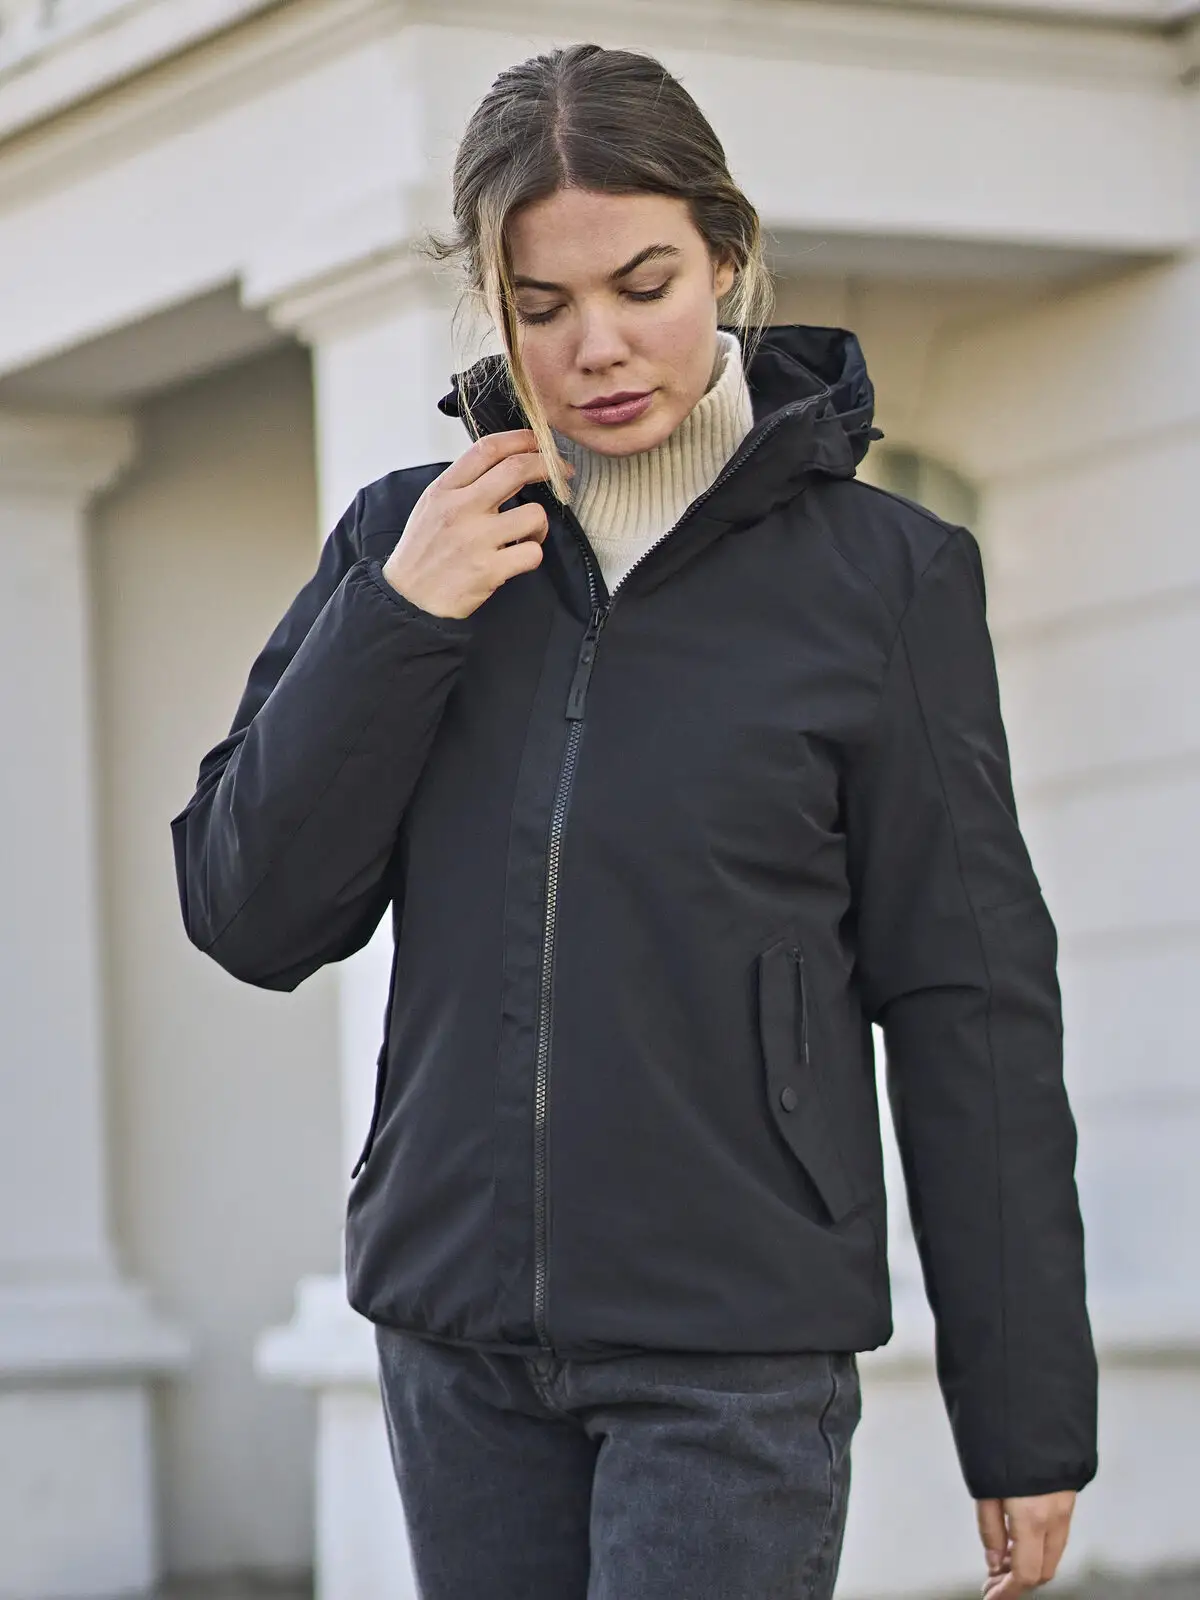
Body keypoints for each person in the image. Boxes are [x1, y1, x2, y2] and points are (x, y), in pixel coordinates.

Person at [171, 42, 1098, 1600]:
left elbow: (972, 1002)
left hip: (732, 1355)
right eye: (541, 306)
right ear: (492, 305)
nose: (597, 346)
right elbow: (248, 911)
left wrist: (1025, 1416)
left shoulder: (883, 579)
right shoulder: (412, 545)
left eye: (644, 283)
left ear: (725, 254)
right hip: (458, 1347)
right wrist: (399, 621)